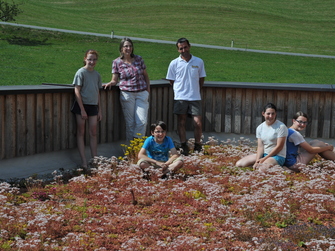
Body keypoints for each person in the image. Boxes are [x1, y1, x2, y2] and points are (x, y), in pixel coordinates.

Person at [103, 38, 150, 142]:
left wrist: (148, 91)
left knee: (142, 121)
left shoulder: (139, 59)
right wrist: (110, 83)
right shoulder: (116, 62)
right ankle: (131, 152)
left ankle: (138, 147)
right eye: (126, 46)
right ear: (121, 48)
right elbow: (115, 79)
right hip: (127, 94)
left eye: (130, 46)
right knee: (130, 123)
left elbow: (146, 76)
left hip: (141, 93)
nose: (128, 48)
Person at [166, 38, 206, 155]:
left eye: (185, 47)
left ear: (189, 46)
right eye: (181, 48)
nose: (184, 50)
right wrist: (180, 90)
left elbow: (201, 78)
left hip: (195, 97)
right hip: (180, 97)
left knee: (197, 123)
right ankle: (184, 145)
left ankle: (198, 145)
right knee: (181, 122)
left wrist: (195, 89)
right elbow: (171, 81)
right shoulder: (174, 63)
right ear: (178, 50)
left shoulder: (199, 61)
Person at [71, 49, 102, 169]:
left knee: (93, 133)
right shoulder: (81, 72)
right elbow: (76, 90)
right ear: (85, 59)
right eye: (89, 59)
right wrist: (82, 109)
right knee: (81, 132)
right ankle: (84, 161)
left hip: (93, 106)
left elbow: (98, 92)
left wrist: (100, 110)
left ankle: (94, 160)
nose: (92, 62)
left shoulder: (97, 74)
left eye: (94, 59)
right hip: (81, 106)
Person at [236, 103, 288, 171]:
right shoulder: (260, 128)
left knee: (261, 169)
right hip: (264, 154)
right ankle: (271, 167)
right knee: (239, 164)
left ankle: (279, 168)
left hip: (277, 156)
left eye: (273, 114)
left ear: (275, 114)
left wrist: (264, 159)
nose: (271, 116)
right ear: (263, 113)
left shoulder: (281, 127)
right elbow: (260, 147)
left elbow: (279, 147)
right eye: (268, 113)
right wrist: (257, 161)